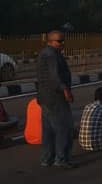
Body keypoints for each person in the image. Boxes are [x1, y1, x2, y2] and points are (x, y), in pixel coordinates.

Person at [36, 30, 75, 168]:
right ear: (50, 41)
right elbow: (55, 76)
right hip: (56, 97)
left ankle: (47, 159)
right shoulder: (52, 54)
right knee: (63, 128)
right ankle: (61, 159)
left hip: (45, 97)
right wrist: (66, 91)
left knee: (48, 130)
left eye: (63, 41)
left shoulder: (45, 53)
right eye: (59, 41)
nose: (62, 44)